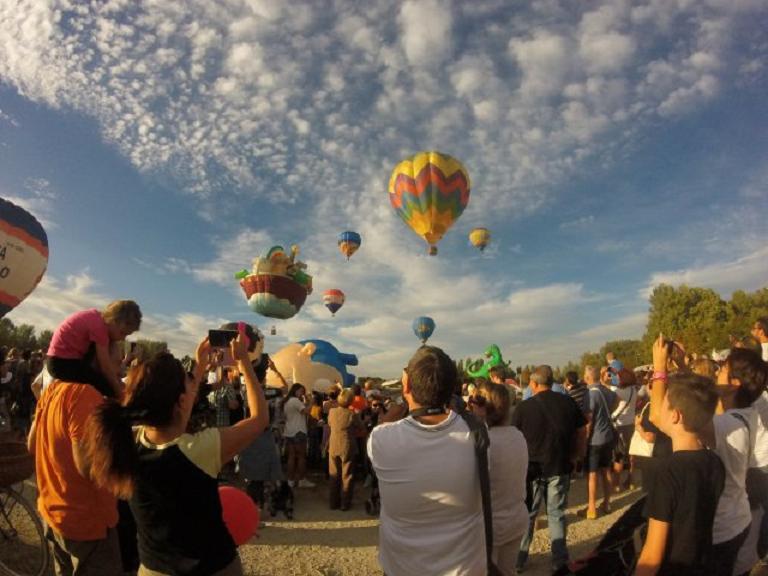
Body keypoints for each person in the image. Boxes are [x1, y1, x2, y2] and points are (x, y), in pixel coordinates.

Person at [82, 331, 268, 575]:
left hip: (154, 568)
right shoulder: (199, 450)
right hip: (212, 568)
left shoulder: (127, 440)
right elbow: (259, 419)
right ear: (181, 401)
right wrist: (243, 362)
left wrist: (199, 366)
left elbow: (175, 412)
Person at [368, 346, 485, 576]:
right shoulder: (479, 436)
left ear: (407, 386)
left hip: (401, 568)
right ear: (452, 388)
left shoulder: (381, 439)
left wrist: (387, 419)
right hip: (466, 568)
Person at [27, 342, 126, 576]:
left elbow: (31, 444)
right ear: (98, 360)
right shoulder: (85, 394)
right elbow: (88, 466)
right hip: (85, 524)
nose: (121, 363)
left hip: (52, 512)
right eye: (117, 358)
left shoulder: (53, 389)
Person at [635, 367, 725, 575]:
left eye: (664, 404)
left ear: (675, 416)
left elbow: (652, 556)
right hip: (702, 563)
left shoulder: (668, 472)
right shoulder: (715, 461)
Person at [512, 365, 587, 573]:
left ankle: (519, 560)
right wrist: (577, 456)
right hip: (560, 466)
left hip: (532, 469)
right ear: (552, 382)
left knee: (528, 514)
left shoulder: (523, 408)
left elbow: (514, 438)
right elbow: (582, 431)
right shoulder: (568, 402)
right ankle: (559, 559)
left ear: (534, 384)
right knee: (556, 513)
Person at [473, 382, 528, 576]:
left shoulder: (483, 442)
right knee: (508, 571)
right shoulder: (518, 436)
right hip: (517, 517)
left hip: (492, 526)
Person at [46, 300, 142, 398]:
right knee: (104, 387)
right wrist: (119, 394)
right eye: (122, 333)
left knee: (101, 382)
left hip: (60, 359)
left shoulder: (96, 319)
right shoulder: (99, 328)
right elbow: (105, 367)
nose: (123, 338)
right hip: (62, 363)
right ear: (114, 321)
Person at [583, 365, 618, 519]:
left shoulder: (590, 394)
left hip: (595, 439)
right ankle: (607, 503)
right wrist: (609, 412)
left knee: (592, 474)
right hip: (608, 437)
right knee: (606, 470)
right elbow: (617, 399)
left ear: (588, 377)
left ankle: (591, 507)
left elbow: (589, 421)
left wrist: (584, 440)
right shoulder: (606, 391)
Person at [327, 388, 364, 510]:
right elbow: (361, 427)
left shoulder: (332, 412)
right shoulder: (352, 414)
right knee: (347, 475)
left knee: (334, 474)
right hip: (347, 446)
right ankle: (345, 503)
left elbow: (330, 424)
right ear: (351, 401)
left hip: (333, 445)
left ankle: (333, 502)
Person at [282, 383, 315, 488]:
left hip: (289, 431)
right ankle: (301, 480)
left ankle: (290, 480)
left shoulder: (287, 401)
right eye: (301, 391)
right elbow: (306, 411)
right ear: (295, 390)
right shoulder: (295, 401)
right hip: (299, 431)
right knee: (301, 457)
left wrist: (306, 401)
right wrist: (312, 402)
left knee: (291, 457)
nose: (302, 394)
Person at [612, 368, 638, 491]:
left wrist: (603, 378)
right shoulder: (633, 390)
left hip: (619, 425)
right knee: (631, 454)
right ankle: (631, 481)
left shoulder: (619, 392)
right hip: (631, 424)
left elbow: (607, 388)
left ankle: (616, 484)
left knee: (619, 455)